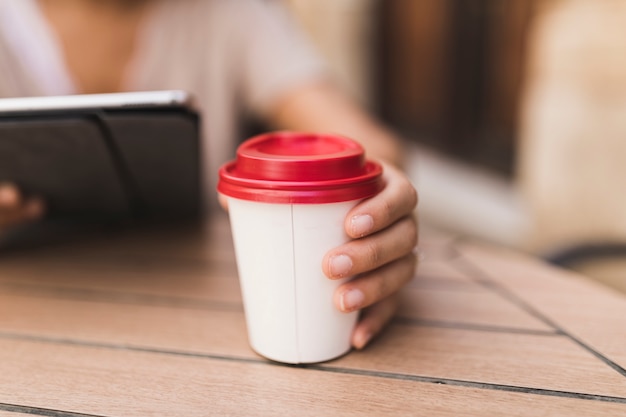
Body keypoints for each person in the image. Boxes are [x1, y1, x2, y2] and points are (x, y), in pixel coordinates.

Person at [0, 0, 418, 350]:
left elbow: (366, 142)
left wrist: (382, 198)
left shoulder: (229, 13)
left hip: (199, 313)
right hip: (21, 306)